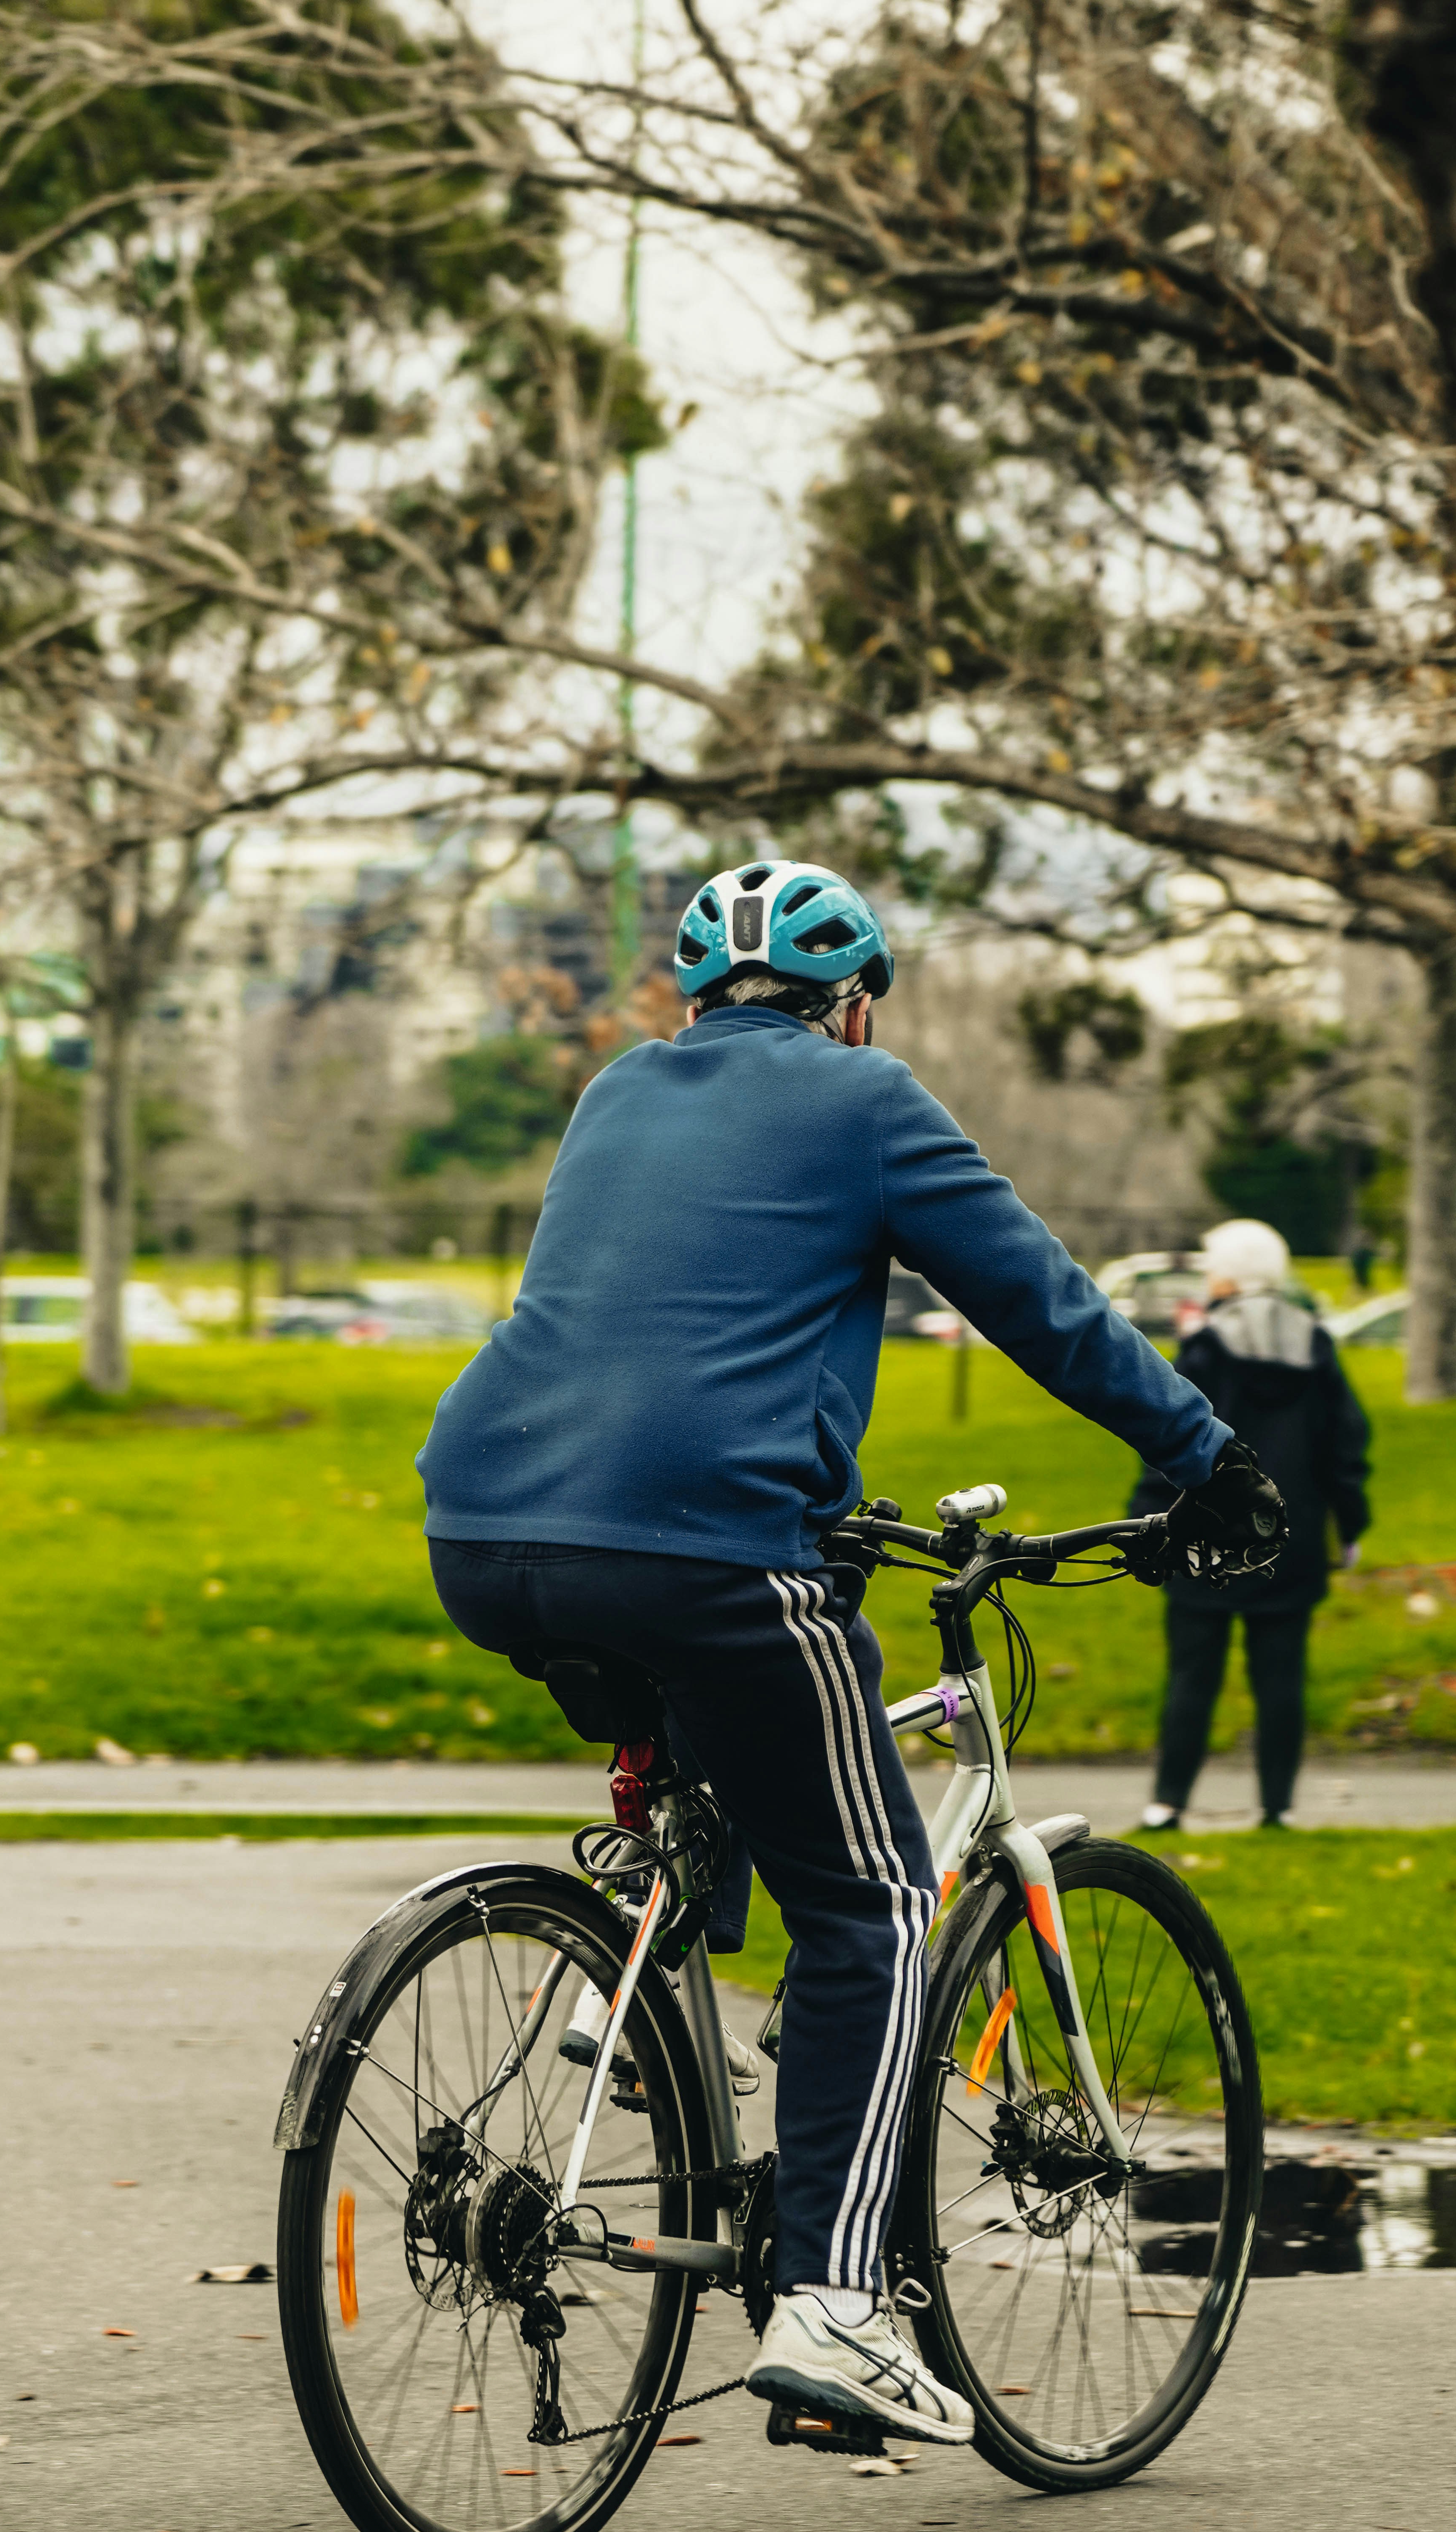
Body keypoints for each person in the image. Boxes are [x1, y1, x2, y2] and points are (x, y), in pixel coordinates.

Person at [415, 860, 1284, 2447]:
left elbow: (660, 1316)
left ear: (693, 1001)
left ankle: (636, 1979)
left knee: (726, 1779)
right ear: (854, 996)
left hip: (482, 1519)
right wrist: (1205, 1453)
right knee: (877, 1897)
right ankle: (834, 2307)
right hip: (703, 1539)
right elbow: (1044, 1304)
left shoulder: (618, 1091)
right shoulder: (865, 1098)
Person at [1133, 1218, 1371, 1833]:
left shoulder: (1205, 1347)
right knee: (1281, 1677)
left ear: (1233, 1273)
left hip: (1203, 1535)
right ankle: (1277, 1807)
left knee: (1192, 1674)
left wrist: (1147, 1524)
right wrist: (1350, 1526)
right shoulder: (1316, 1345)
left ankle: (1167, 1803)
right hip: (1289, 1540)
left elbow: (1171, 1439)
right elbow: (1343, 1446)